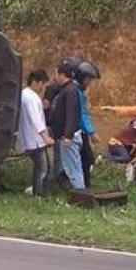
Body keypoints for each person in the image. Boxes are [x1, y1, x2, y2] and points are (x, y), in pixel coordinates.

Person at [47, 59, 86, 191]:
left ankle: (81, 194)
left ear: (63, 75)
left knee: (73, 168)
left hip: (69, 137)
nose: (56, 77)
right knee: (69, 166)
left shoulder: (70, 91)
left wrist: (68, 135)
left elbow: (72, 114)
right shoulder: (66, 89)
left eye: (57, 74)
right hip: (63, 135)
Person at [18, 69, 55, 196]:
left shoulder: (24, 95)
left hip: (30, 138)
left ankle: (39, 192)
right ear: (35, 82)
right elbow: (36, 119)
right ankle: (38, 194)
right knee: (43, 169)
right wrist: (45, 137)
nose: (43, 87)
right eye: (42, 84)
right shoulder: (31, 98)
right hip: (35, 140)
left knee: (40, 168)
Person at [75, 61, 102, 184]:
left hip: (80, 131)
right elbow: (82, 114)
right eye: (89, 79)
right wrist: (91, 132)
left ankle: (84, 183)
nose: (89, 83)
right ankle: (83, 185)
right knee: (87, 158)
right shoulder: (77, 93)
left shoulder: (79, 91)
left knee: (85, 158)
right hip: (78, 131)